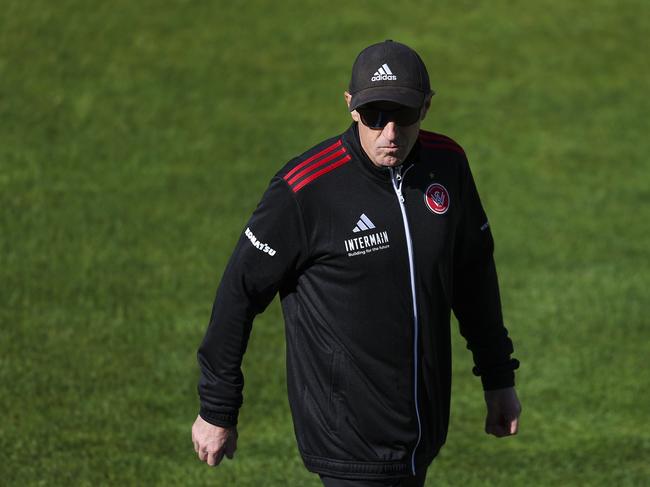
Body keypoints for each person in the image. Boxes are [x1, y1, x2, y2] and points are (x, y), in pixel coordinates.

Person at [192, 40, 521, 487]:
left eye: (402, 115)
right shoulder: (306, 189)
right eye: (374, 115)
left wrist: (498, 377)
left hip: (420, 436)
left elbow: (473, 276)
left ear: (426, 107)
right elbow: (239, 292)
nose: (389, 131)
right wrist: (217, 408)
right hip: (347, 441)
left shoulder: (448, 164)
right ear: (350, 107)